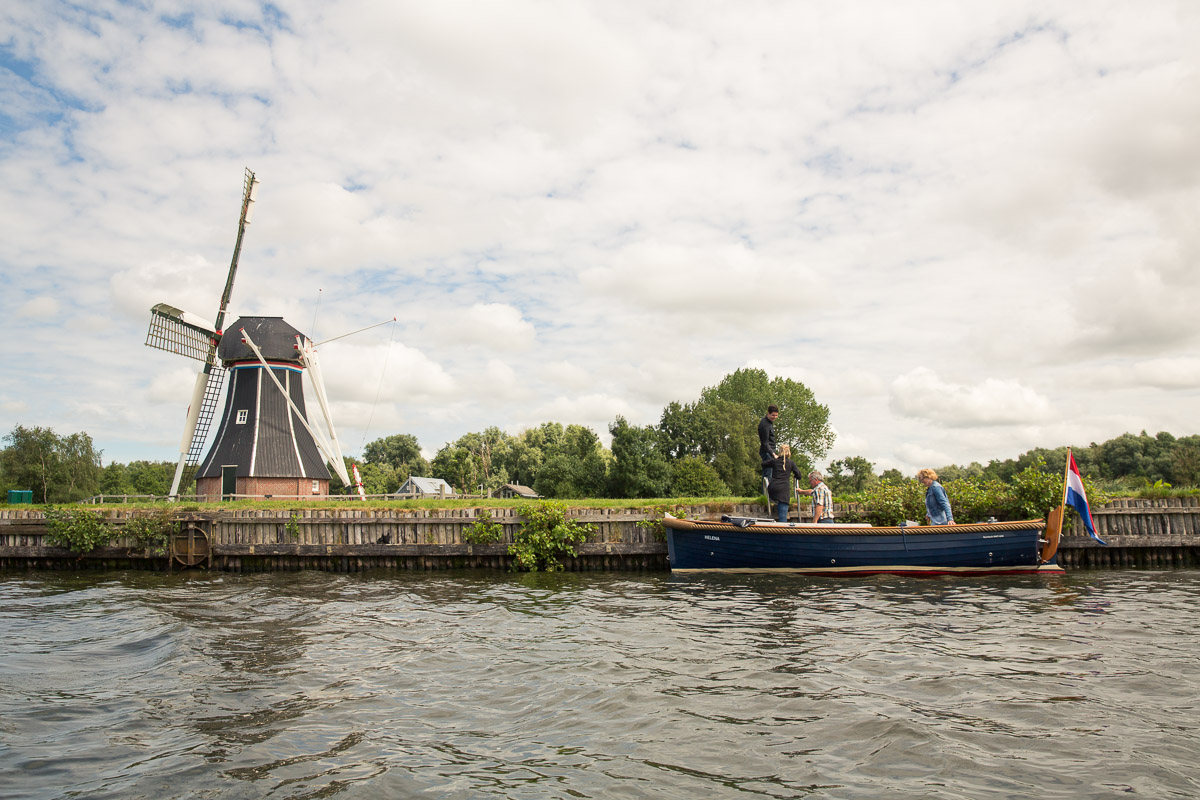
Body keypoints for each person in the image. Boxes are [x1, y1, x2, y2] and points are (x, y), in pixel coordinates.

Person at [766, 445, 805, 522]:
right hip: (783, 490)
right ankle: (782, 530)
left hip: (773, 488)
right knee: (783, 516)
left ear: (779, 452)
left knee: (776, 499)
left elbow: (763, 464)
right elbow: (799, 475)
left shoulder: (775, 461)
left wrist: (774, 456)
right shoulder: (791, 463)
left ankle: (774, 503)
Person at [758, 405, 780, 490]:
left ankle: (770, 496)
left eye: (776, 415)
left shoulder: (769, 423)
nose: (775, 417)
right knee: (768, 475)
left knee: (771, 475)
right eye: (773, 415)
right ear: (768, 413)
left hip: (770, 451)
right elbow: (765, 443)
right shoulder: (765, 425)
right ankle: (767, 497)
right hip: (767, 452)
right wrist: (773, 454)